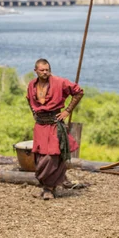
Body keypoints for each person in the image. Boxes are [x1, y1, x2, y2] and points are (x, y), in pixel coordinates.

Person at [26, 58, 84, 200]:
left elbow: (79, 92)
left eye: (47, 70)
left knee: (52, 156)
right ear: (36, 71)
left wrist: (67, 111)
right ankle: (46, 187)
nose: (45, 72)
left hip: (54, 124)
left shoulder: (60, 82)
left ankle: (49, 189)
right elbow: (28, 98)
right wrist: (34, 112)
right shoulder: (31, 85)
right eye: (42, 70)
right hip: (40, 125)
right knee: (39, 157)